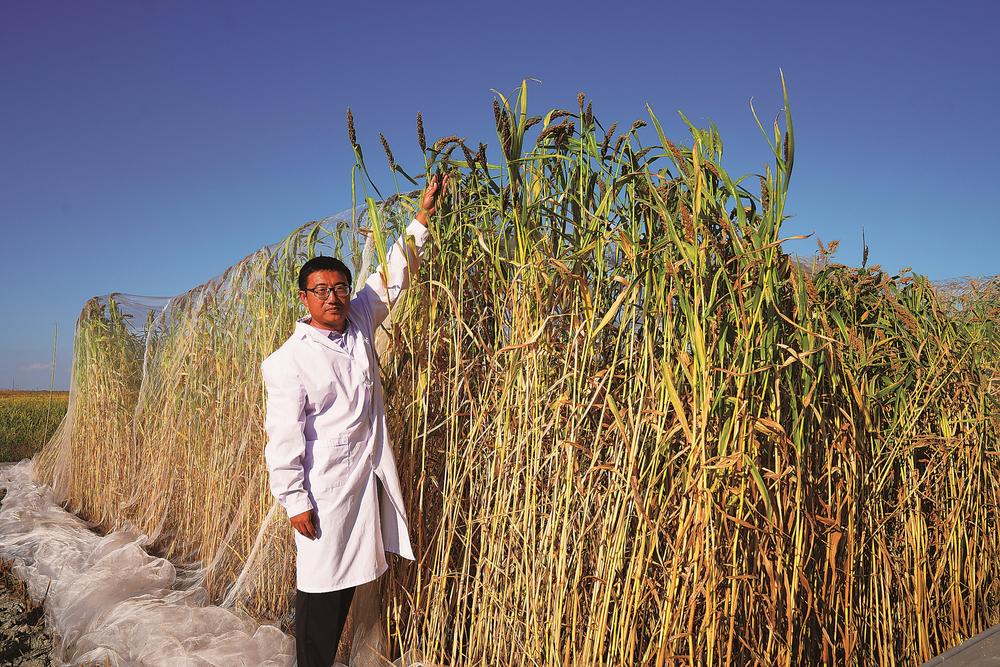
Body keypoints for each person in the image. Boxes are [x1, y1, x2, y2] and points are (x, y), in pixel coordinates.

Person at [262, 174, 448, 667]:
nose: (333, 298)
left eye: (340, 288)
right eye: (321, 290)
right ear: (303, 298)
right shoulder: (288, 361)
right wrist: (294, 500)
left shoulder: (360, 322)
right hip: (323, 491)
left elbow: (393, 274)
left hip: (363, 480)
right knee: (320, 592)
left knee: (349, 584)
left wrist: (423, 216)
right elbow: (283, 440)